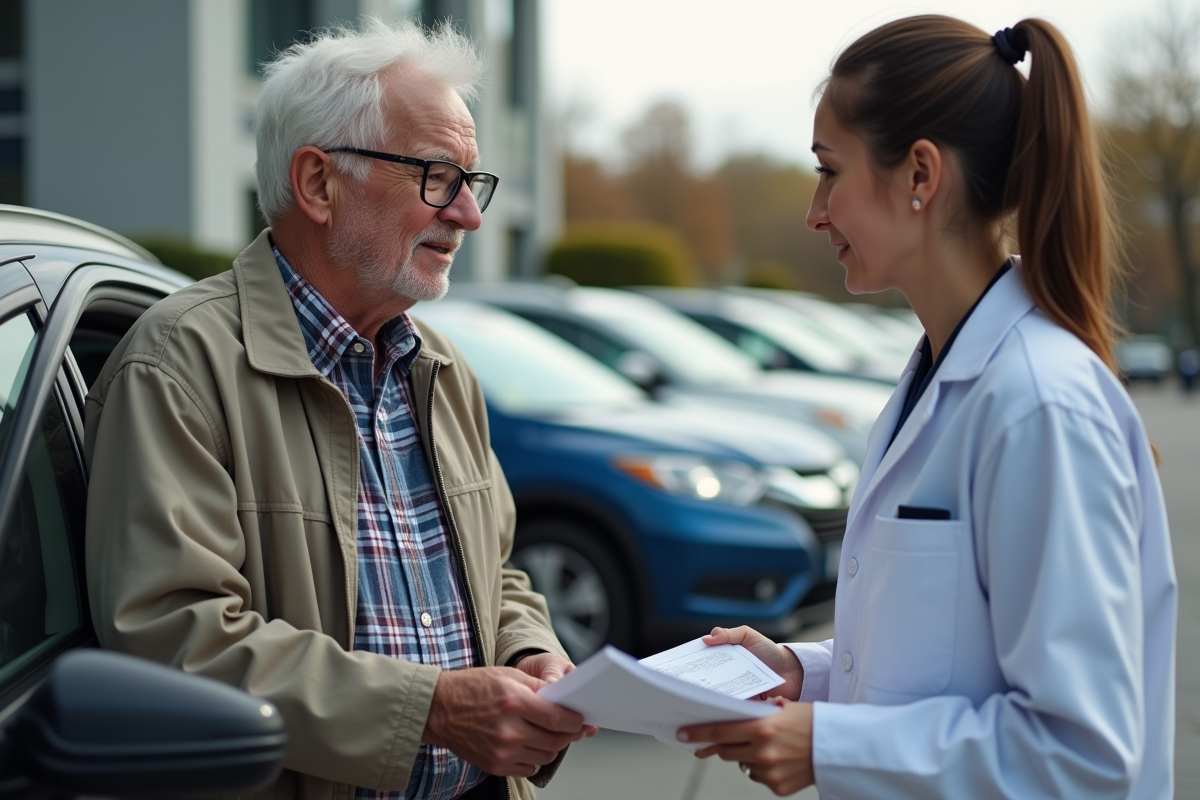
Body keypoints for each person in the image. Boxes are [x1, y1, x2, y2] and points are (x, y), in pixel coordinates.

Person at [84, 20, 589, 800]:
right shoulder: (180, 364)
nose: (468, 216)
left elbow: (499, 572)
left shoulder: (442, 370)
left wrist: (528, 654)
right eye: (437, 176)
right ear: (318, 184)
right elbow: (174, 639)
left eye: (472, 181)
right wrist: (431, 710)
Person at [678, 16, 1177, 799]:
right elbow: (952, 659)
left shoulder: (1040, 406)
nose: (815, 212)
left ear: (919, 174)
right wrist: (805, 675)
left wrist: (832, 743)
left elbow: (1083, 753)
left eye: (828, 170)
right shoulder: (938, 379)